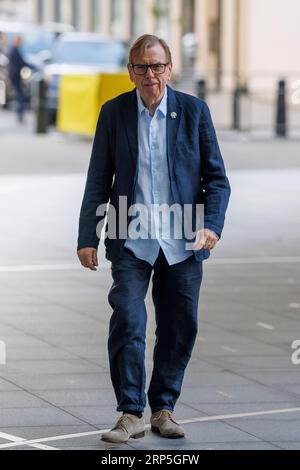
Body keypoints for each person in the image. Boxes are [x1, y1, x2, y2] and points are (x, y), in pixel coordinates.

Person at [77, 34, 231, 444]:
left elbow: (217, 180)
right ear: (130, 71)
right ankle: (130, 413)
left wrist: (211, 225)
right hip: (132, 239)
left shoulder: (194, 112)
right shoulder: (114, 114)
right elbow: (98, 180)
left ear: (170, 68)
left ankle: (163, 408)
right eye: (142, 66)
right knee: (128, 318)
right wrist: (87, 236)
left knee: (180, 326)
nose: (151, 75)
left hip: (183, 241)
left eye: (157, 66)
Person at [7, 36, 30, 123]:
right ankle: (20, 116)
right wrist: (32, 66)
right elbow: (21, 62)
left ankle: (20, 115)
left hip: (15, 76)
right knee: (20, 96)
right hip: (15, 76)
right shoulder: (14, 50)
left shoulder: (13, 49)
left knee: (19, 95)